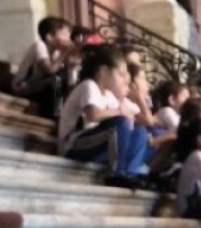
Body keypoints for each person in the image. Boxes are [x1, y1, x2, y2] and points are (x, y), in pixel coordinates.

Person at [57, 45, 150, 188]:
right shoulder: (89, 85)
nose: (124, 80)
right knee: (119, 124)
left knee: (140, 132)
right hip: (73, 145)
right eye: (120, 74)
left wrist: (126, 113)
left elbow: (131, 120)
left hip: (96, 143)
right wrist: (120, 112)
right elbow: (93, 115)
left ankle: (130, 173)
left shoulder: (108, 94)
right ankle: (116, 174)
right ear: (104, 71)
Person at [14, 16, 72, 119]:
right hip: (23, 87)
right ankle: (57, 114)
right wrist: (64, 52)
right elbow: (50, 70)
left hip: (41, 86)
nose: (68, 39)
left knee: (64, 77)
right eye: (64, 35)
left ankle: (64, 112)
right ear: (50, 36)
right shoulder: (39, 46)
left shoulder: (56, 52)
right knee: (57, 78)